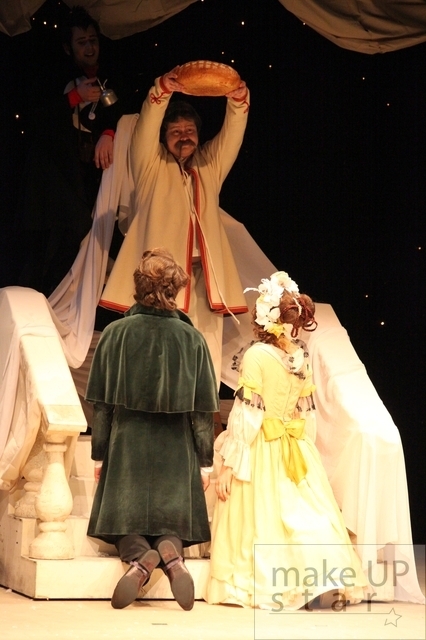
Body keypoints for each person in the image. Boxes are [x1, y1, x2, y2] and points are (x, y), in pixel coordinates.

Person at [205, 271, 368, 609]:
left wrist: (230, 466)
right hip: (295, 443)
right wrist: (305, 450)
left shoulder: (256, 357)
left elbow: (248, 415)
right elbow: (305, 414)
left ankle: (289, 582)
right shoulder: (299, 356)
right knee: (303, 509)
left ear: (262, 319)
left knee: (264, 518)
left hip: (261, 444)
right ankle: (322, 573)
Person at [85, 248, 219, 610]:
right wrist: (205, 462)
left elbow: (102, 405)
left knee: (121, 523)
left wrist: (99, 455)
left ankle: (139, 560)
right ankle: (171, 557)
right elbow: (203, 412)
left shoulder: (115, 334)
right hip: (176, 446)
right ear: (175, 289)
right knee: (170, 524)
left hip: (127, 443)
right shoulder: (193, 340)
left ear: (138, 286)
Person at [98, 66, 251, 385]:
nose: (184, 136)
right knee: (158, 354)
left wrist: (238, 101)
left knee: (205, 351)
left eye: (190, 130)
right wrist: (161, 92)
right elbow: (146, 127)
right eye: (176, 131)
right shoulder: (150, 165)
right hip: (161, 283)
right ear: (164, 137)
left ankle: (204, 410)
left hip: (203, 277)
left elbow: (232, 135)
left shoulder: (209, 166)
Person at [17, 6, 124, 296]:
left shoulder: (110, 73)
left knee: (84, 232)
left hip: (88, 172)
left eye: (93, 40)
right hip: (54, 176)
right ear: (69, 47)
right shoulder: (54, 75)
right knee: (58, 239)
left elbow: (119, 111)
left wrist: (109, 133)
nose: (89, 47)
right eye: (82, 42)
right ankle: (41, 299)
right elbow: (35, 119)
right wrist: (74, 97)